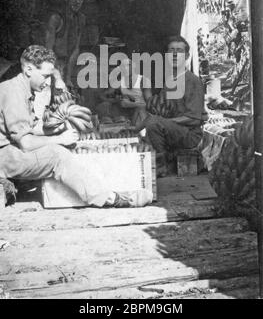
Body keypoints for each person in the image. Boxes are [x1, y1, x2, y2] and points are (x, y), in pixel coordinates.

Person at [0, 45, 152, 208]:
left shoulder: (20, 88)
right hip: (5, 156)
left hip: (9, 151)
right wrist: (59, 139)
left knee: (59, 148)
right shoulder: (14, 93)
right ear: (29, 69)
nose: (47, 82)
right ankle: (108, 198)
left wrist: (58, 129)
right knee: (57, 156)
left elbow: (31, 128)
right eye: (45, 76)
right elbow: (26, 143)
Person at [143, 36, 207, 175]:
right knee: (150, 122)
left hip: (190, 134)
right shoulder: (169, 81)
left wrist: (164, 122)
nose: (174, 54)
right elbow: (159, 109)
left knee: (154, 124)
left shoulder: (193, 81)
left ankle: (161, 167)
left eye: (179, 51)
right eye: (171, 50)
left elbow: (194, 119)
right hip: (173, 130)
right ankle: (164, 160)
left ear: (187, 56)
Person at [45, 0, 86, 89]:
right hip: (51, 64)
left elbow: (76, 48)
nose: (77, 2)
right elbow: (48, 50)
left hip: (67, 65)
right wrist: (56, 75)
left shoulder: (81, 19)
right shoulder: (56, 18)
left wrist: (67, 78)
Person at [97, 58, 152, 127]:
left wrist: (133, 104)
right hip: (124, 113)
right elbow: (103, 95)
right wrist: (114, 100)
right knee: (105, 105)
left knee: (140, 118)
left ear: (134, 65)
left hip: (139, 112)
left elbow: (150, 103)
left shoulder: (143, 80)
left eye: (128, 65)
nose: (126, 68)